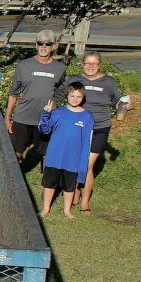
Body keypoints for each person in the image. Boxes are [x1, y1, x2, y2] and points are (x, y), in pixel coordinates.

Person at [55, 52, 120, 213]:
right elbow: (58, 94)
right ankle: (75, 192)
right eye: (87, 63)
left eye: (94, 63)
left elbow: (117, 101)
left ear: (100, 65)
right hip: (78, 127)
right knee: (76, 163)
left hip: (99, 128)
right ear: (82, 64)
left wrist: (123, 105)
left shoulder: (109, 82)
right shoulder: (75, 80)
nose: (90, 66)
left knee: (86, 165)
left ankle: (84, 203)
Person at [5, 30, 67, 162]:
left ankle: (47, 180)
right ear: (36, 44)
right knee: (16, 153)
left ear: (54, 46)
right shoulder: (23, 66)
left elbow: (62, 88)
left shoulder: (60, 68)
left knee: (45, 153)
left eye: (48, 44)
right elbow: (14, 92)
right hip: (22, 117)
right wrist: (7, 118)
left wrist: (54, 102)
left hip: (45, 118)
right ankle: (15, 181)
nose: (43, 47)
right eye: (40, 43)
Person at [38, 82, 93, 219]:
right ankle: (45, 209)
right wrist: (46, 114)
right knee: (49, 184)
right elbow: (44, 130)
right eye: (72, 96)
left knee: (69, 186)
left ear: (83, 98)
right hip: (54, 157)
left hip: (73, 159)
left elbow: (87, 141)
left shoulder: (87, 117)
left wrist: (82, 164)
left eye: (78, 96)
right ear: (66, 96)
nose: (75, 99)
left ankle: (67, 211)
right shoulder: (58, 113)